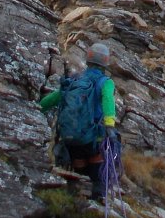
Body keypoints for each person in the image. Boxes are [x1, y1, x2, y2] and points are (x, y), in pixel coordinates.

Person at [40, 42, 117, 201]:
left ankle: (76, 198)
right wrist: (110, 126)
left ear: (88, 60)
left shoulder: (75, 80)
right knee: (99, 164)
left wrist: (36, 107)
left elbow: (56, 97)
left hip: (70, 138)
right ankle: (98, 197)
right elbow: (108, 101)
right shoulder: (105, 82)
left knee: (79, 167)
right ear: (105, 62)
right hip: (93, 138)